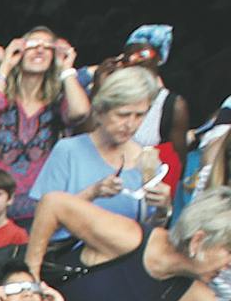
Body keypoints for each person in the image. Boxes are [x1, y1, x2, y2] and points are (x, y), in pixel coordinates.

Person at [24, 188, 231, 301]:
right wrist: (30, 277)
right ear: (198, 241)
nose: (229, 265)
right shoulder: (129, 239)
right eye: (229, 252)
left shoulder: (190, 293)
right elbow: (54, 203)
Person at [31, 65, 172, 237]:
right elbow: (42, 220)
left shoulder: (147, 161)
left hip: (121, 258)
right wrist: (92, 193)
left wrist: (162, 210)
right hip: (68, 257)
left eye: (139, 115)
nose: (130, 124)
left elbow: (147, 234)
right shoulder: (69, 151)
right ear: (100, 112)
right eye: (122, 115)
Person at [0, 26, 90, 220]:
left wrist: (67, 68)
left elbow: (80, 111)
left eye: (47, 47)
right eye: (33, 45)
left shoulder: (57, 103)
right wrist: (5, 65)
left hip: (34, 212)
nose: (40, 50)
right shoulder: (2, 97)